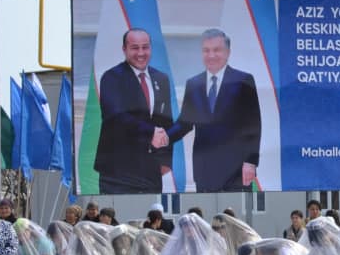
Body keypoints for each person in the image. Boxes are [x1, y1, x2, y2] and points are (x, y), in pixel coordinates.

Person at [165, 29, 262, 192]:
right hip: (205, 168)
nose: (211, 55)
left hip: (236, 169)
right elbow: (185, 123)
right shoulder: (193, 83)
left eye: (216, 50)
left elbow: (254, 125)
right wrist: (165, 137)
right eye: (206, 50)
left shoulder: (243, 80)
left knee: (234, 214)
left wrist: (251, 162)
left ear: (227, 52)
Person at [95, 28, 175, 193]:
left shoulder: (161, 78)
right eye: (135, 48)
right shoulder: (111, 77)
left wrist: (166, 160)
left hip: (150, 169)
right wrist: (151, 132)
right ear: (124, 49)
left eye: (145, 47)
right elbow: (115, 117)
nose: (141, 53)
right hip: (118, 170)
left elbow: (166, 120)